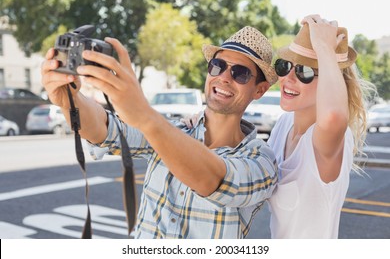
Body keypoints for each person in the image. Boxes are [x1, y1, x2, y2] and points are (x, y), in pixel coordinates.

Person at [41, 26, 278, 239]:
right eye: (218, 66)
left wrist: (145, 115)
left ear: (259, 90)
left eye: (240, 73)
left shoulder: (262, 161)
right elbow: (105, 130)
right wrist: (69, 101)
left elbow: (214, 180)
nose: (224, 77)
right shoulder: (172, 130)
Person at [267, 14, 375, 238]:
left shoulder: (329, 138)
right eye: (285, 65)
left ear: (329, 78)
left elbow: (334, 115)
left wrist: (325, 49)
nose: (288, 78)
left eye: (304, 72)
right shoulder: (283, 125)